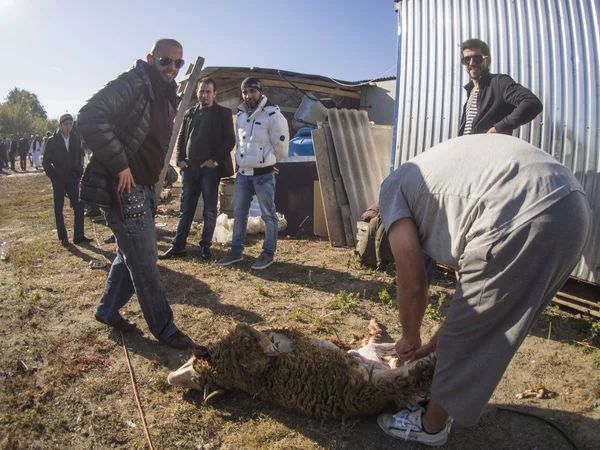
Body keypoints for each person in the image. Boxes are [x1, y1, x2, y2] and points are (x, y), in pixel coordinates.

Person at [375, 134, 590, 447]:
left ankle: (431, 426)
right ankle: (443, 406)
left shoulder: (391, 190)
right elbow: (473, 307)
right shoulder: (441, 192)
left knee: (468, 337)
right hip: (571, 209)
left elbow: (412, 281)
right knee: (482, 328)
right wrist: (435, 344)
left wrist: (410, 337)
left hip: (522, 211)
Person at [77, 38, 192, 349]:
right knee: (144, 262)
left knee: (128, 255)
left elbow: (151, 138)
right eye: (165, 60)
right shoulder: (134, 83)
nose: (171, 67)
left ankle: (107, 310)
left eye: (177, 63)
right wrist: (120, 165)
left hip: (146, 188)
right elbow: (88, 117)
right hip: (125, 190)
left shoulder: (166, 93)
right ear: (150, 58)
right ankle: (165, 329)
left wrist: (164, 170)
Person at [216, 77, 289, 270]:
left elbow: (281, 148)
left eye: (252, 91)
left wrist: (266, 162)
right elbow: (240, 145)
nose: (249, 95)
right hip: (243, 175)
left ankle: (267, 253)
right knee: (239, 215)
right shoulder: (240, 116)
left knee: (268, 215)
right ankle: (235, 251)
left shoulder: (272, 115)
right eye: (245, 92)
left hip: (263, 176)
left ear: (260, 92)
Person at [160, 77, 235, 261]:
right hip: (189, 170)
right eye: (202, 91)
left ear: (214, 93)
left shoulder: (223, 113)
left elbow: (230, 141)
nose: (205, 95)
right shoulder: (190, 113)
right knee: (186, 209)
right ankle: (178, 246)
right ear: (197, 92)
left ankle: (205, 247)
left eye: (208, 91)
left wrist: (214, 161)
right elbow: (181, 138)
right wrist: (180, 160)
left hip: (209, 170)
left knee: (209, 210)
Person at [458, 38, 543, 136]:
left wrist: (499, 127)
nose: (472, 63)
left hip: (489, 149)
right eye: (467, 59)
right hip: (469, 149)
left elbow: (531, 102)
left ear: (488, 60)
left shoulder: (498, 82)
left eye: (477, 58)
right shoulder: (471, 91)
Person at [42, 114, 91, 247]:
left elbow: (80, 157)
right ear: (60, 125)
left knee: (79, 205)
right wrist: (54, 176)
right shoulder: (52, 140)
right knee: (59, 208)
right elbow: (46, 161)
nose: (68, 126)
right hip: (58, 179)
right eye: (66, 124)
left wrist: (78, 172)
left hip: (72, 179)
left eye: (70, 124)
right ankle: (63, 236)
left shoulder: (75, 139)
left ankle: (79, 236)